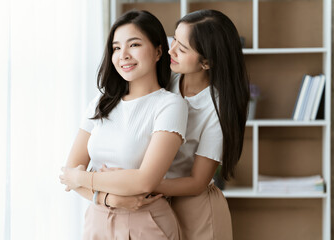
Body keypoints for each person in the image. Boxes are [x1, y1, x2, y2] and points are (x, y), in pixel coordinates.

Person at [63, 9, 250, 240]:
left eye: (182, 49)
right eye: (174, 41)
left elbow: (197, 181)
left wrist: (136, 182)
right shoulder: (167, 78)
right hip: (148, 201)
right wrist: (118, 190)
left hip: (192, 205)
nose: (171, 50)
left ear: (207, 62)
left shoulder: (216, 106)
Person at [59, 10, 188, 240]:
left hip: (146, 222)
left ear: (159, 51)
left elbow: (145, 180)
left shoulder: (170, 105)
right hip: (97, 220)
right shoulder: (100, 104)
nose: (123, 55)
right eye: (116, 48)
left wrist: (83, 178)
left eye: (134, 44)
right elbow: (69, 171)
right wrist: (110, 198)